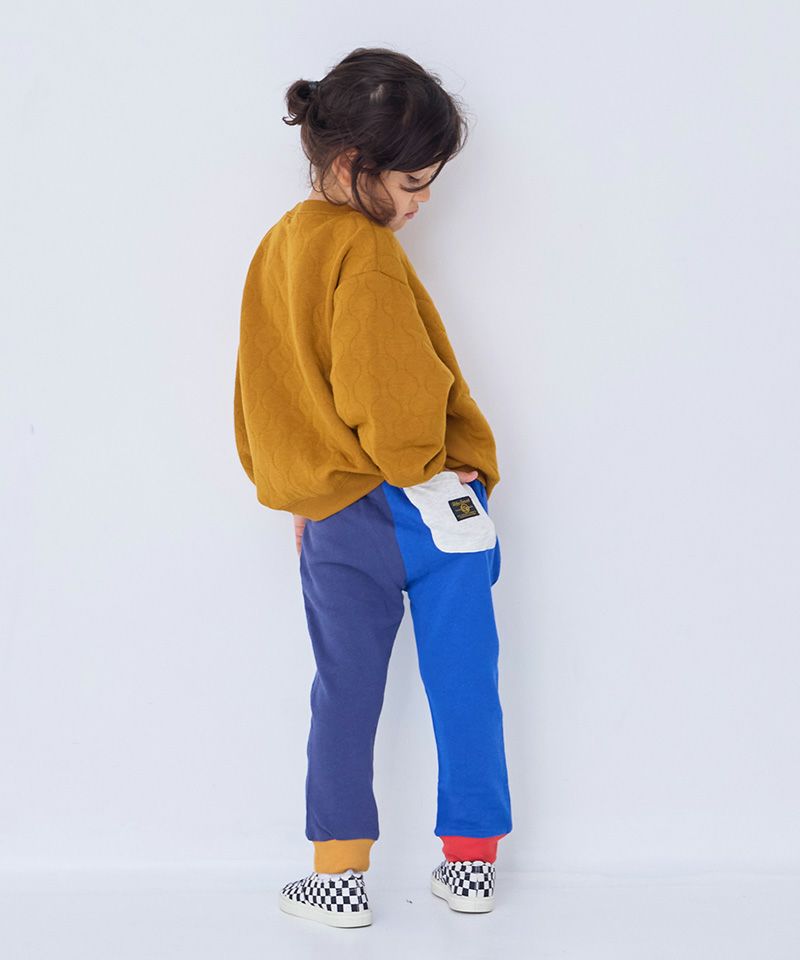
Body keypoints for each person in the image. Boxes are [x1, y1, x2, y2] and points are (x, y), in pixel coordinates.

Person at [233, 46, 512, 927]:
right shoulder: (368, 254)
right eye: (413, 183)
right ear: (355, 164)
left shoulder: (278, 248)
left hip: (334, 518)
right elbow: (390, 390)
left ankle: (339, 876)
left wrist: (301, 494)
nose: (422, 202)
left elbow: (265, 389)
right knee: (464, 685)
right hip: (420, 501)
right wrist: (430, 470)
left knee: (343, 694)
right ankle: (470, 868)